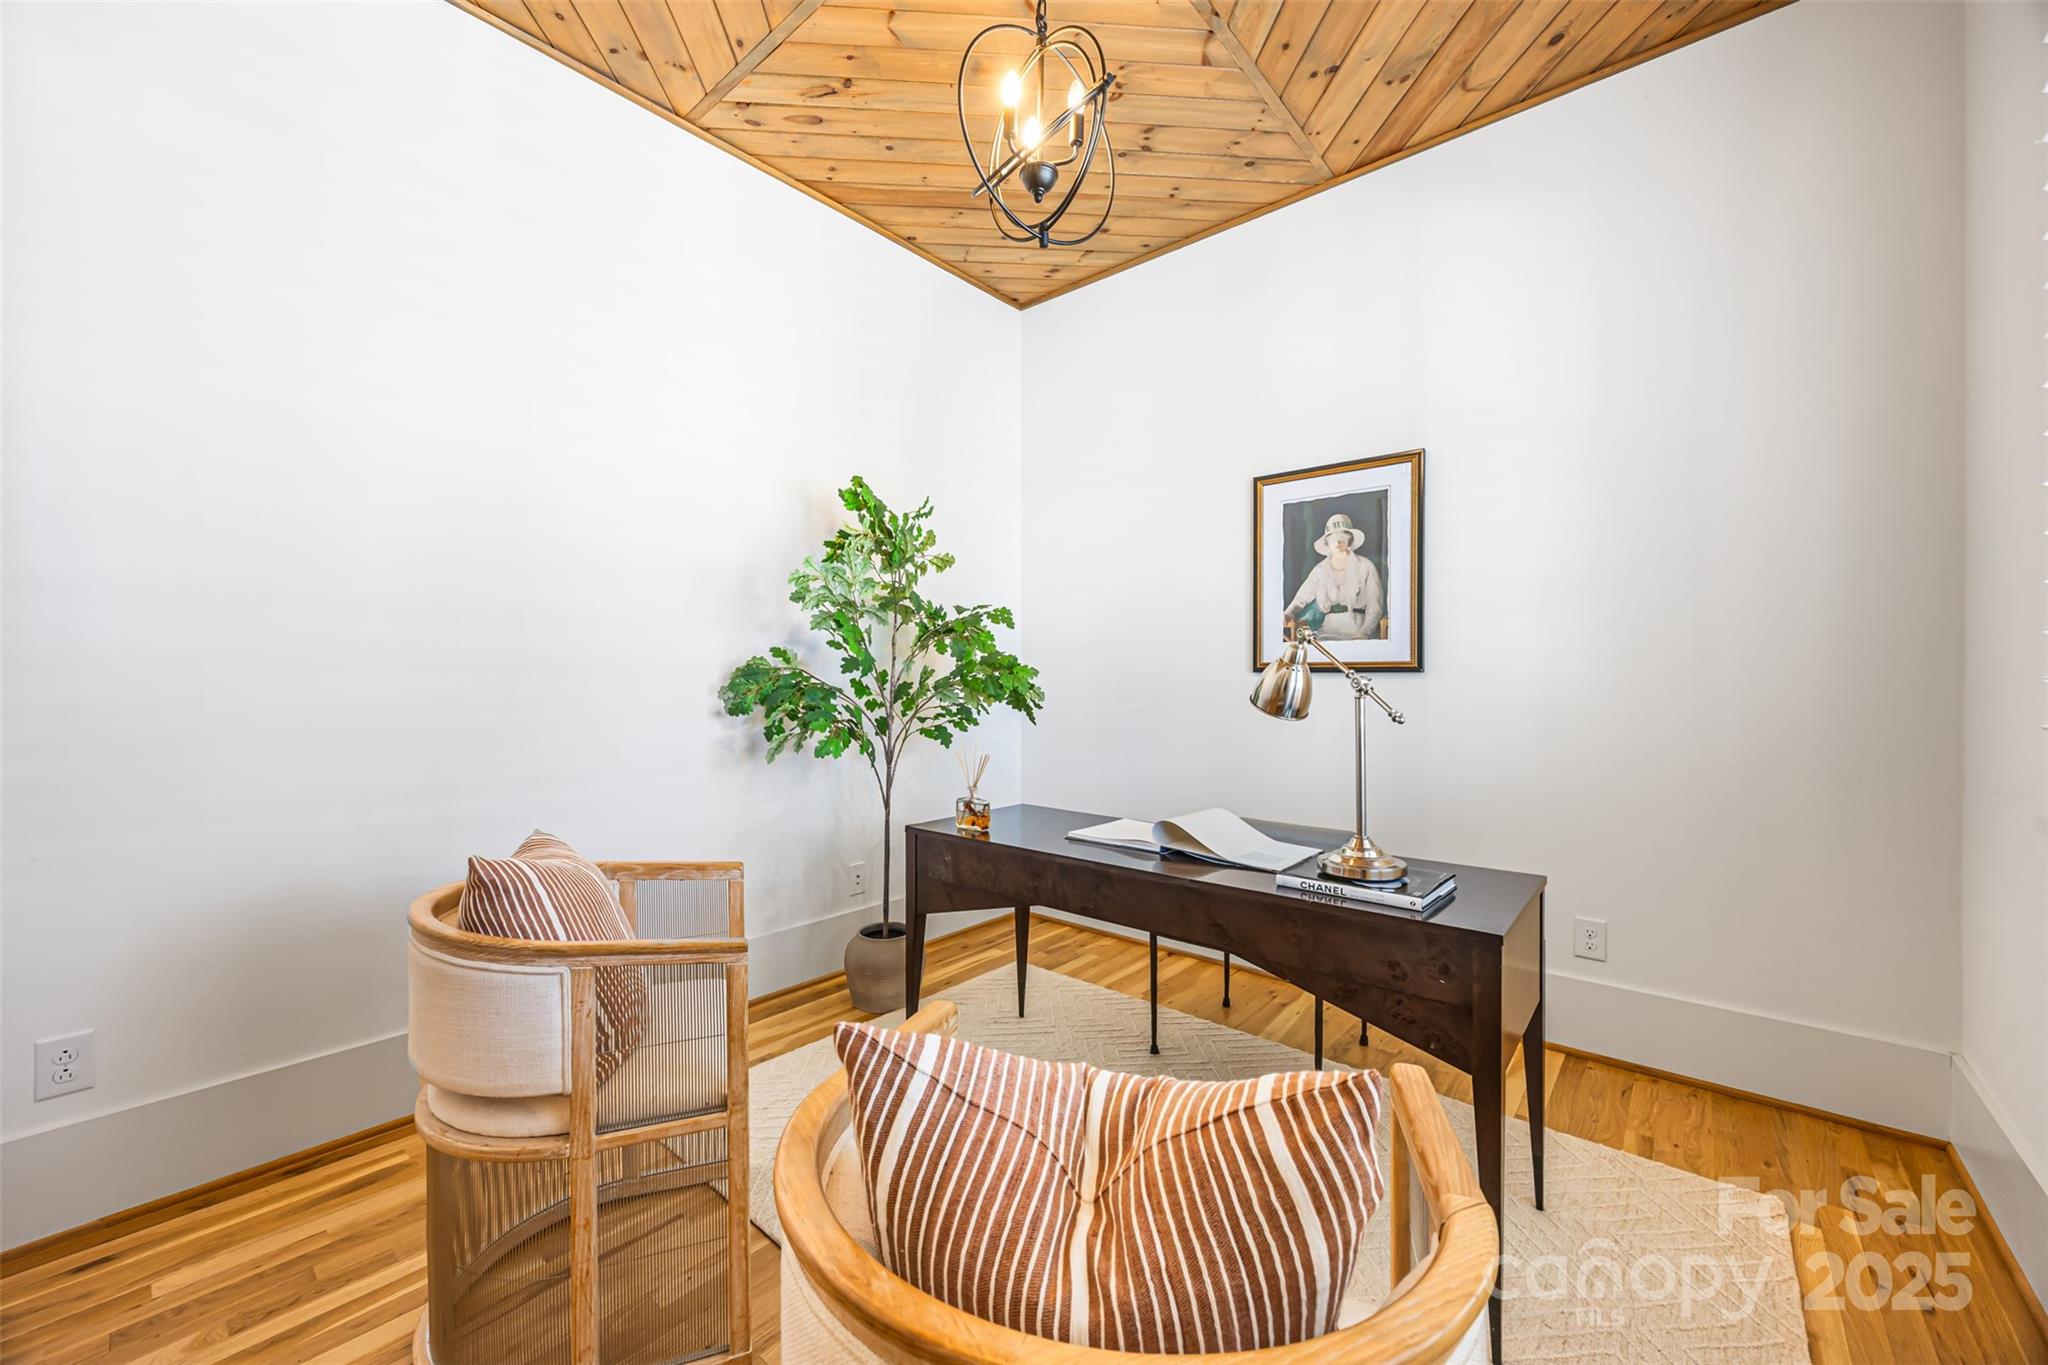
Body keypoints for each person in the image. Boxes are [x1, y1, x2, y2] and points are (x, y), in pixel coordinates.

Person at [1284, 513, 1384, 641]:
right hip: (1328, 631)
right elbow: (1301, 597)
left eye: (1342, 536)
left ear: (1350, 539)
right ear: (1327, 542)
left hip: (1358, 630)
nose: (1338, 541)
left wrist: (1363, 633)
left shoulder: (1365, 566)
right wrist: (1288, 613)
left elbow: (1375, 607)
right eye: (1332, 538)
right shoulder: (1320, 570)